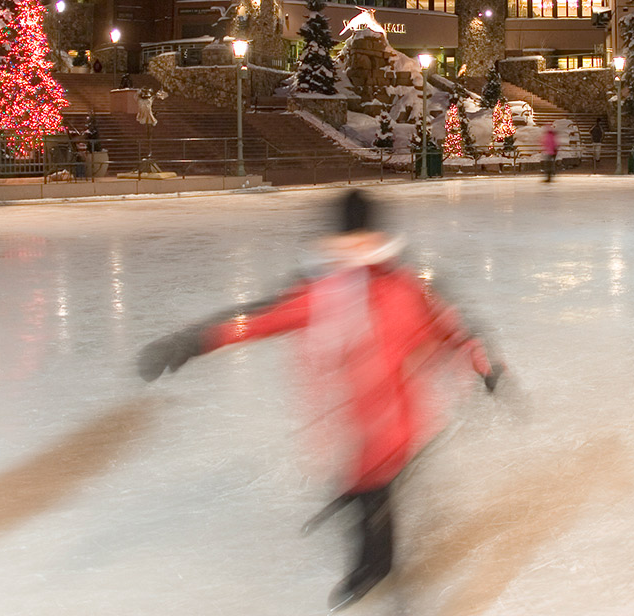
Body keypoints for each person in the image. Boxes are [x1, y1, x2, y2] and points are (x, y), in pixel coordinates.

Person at [136, 190, 502, 610]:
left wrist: (485, 365)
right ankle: (372, 554)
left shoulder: (401, 287)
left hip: (392, 419)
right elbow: (258, 319)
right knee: (360, 486)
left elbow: (450, 328)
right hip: (351, 419)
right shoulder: (326, 290)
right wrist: (192, 341)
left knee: (374, 491)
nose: (355, 251)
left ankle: (378, 568)